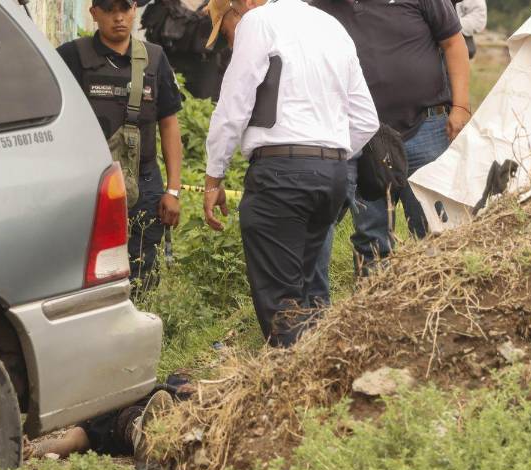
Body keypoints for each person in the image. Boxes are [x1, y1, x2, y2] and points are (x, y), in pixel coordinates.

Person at [202, 0, 379, 347]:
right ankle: (320, 364)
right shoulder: (332, 27)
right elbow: (366, 120)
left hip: (281, 177)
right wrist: (325, 156)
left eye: (226, 32)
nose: (231, 43)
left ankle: (291, 371)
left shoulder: (257, 21)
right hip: (331, 174)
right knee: (305, 292)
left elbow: (233, 106)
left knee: (281, 303)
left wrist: (213, 178)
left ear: (242, 7)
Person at [306, 0, 472, 305]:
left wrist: (460, 106)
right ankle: (375, 312)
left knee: (436, 225)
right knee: (372, 235)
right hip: (363, 138)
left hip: (427, 127)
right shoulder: (320, 7)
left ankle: (445, 304)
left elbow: (453, 42)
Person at [57, 0, 184, 294]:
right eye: (109, 9)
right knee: (86, 269)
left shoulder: (154, 58)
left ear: (134, 11)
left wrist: (173, 190)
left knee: (142, 270)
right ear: (94, 13)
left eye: (125, 9)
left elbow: (169, 124)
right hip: (89, 182)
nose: (118, 18)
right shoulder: (72, 56)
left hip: (144, 181)